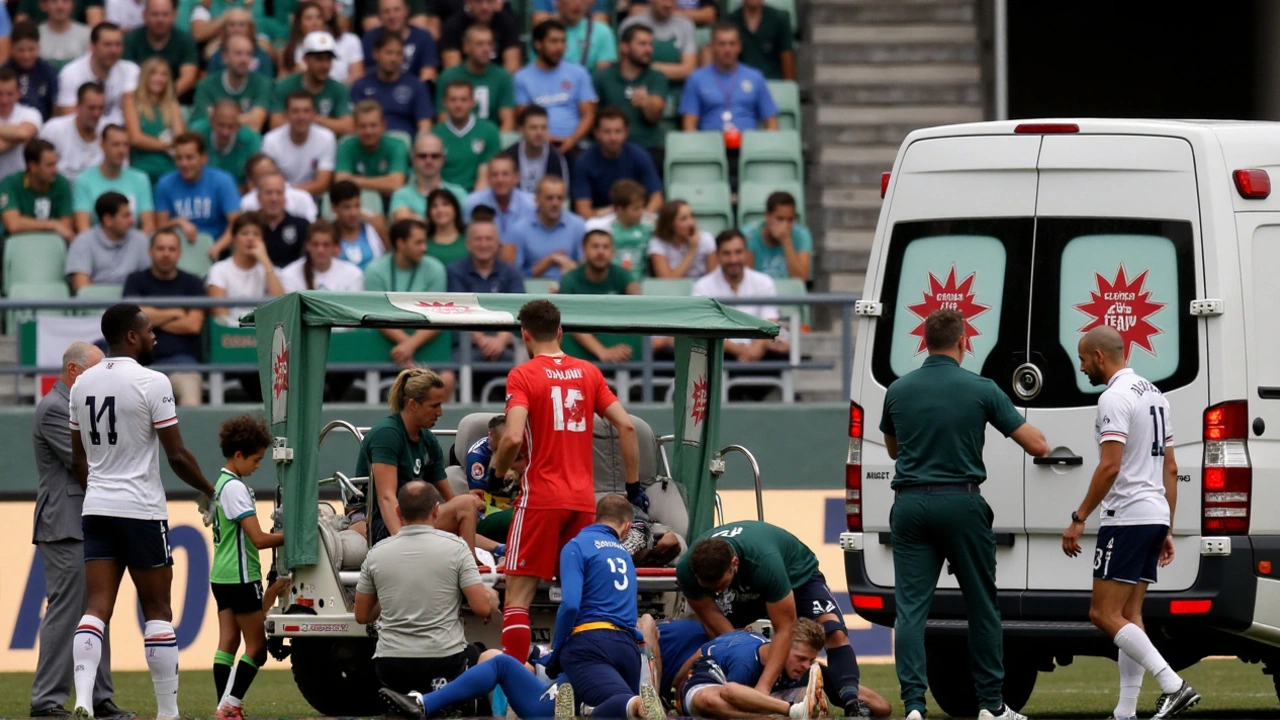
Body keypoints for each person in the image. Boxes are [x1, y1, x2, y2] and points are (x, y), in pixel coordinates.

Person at [880, 308, 1050, 720]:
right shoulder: (981, 388)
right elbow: (1038, 446)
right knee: (981, 606)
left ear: (923, 341)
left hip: (910, 504)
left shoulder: (898, 390)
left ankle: (915, 707)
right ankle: (991, 704)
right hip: (961, 501)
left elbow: (893, 449)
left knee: (911, 611)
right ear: (964, 341)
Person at [68, 302, 217, 720]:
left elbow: (78, 458)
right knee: (157, 610)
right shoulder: (154, 382)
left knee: (96, 606)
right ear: (131, 336)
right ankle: (168, 712)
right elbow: (178, 455)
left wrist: (96, 491)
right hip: (141, 509)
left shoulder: (81, 384)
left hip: (97, 506)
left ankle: (81, 699)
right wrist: (210, 489)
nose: (155, 336)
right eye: (149, 330)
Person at [488, 298, 645, 663]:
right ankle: (584, 677)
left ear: (524, 335)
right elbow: (626, 425)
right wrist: (633, 486)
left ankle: (517, 685)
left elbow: (511, 438)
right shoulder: (589, 372)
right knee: (584, 599)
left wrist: (498, 476)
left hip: (541, 498)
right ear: (560, 332)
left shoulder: (523, 375)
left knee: (517, 599)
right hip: (582, 502)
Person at [1063, 325, 1200, 720]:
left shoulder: (1114, 397)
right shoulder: (1156, 394)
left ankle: (1173, 685)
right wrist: (1168, 526)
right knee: (1130, 616)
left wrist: (1079, 518)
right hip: (1154, 512)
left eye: (1083, 359)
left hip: (1126, 517)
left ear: (1100, 357)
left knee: (1102, 614)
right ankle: (1125, 712)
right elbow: (1170, 468)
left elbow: (1110, 465)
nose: (1083, 366)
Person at [677, 521, 890, 718]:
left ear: (734, 564)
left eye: (719, 584)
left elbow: (785, 627)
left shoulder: (764, 562)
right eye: (709, 587)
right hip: (746, 601)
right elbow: (727, 637)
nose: (716, 590)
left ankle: (852, 701)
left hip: (796, 577)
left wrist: (763, 689)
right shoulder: (687, 570)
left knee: (833, 631)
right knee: (736, 640)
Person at [29, 341, 124, 720]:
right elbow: (84, 461)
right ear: (74, 372)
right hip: (65, 524)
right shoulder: (55, 409)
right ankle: (47, 701)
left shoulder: (75, 407)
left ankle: (100, 698)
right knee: (67, 613)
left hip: (87, 520)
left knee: (96, 613)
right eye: (96, 371)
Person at [355, 481, 493, 694]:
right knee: (483, 654)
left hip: (390, 666)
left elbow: (362, 615)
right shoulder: (457, 548)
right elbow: (482, 608)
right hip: (445, 662)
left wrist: (389, 596)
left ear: (398, 511)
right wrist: (488, 595)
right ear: (437, 509)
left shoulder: (376, 553)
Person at [550, 496, 665, 720]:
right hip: (627, 648)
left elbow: (570, 604)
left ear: (596, 517)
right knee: (617, 711)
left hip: (590, 642)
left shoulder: (576, 546)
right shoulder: (624, 556)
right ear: (627, 527)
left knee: (623, 705)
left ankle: (636, 704)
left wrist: (558, 650)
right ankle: (635, 704)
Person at [355, 368, 489, 546]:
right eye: (434, 406)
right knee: (464, 505)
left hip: (418, 519)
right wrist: (400, 544)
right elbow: (386, 498)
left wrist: (468, 498)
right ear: (412, 405)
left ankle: (500, 551)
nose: (440, 413)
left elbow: (449, 499)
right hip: (380, 523)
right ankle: (468, 570)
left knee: (466, 503)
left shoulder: (428, 439)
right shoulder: (387, 434)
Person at [210, 415, 283, 720]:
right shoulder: (236, 488)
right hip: (241, 575)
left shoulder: (220, 483)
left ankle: (224, 705)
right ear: (238, 455)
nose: (257, 466)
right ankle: (230, 704)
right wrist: (294, 536)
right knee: (257, 647)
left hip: (220, 575)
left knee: (228, 642)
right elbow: (258, 539)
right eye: (255, 460)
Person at [122, 227, 207, 406]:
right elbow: (133, 319)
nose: (166, 254)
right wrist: (176, 312)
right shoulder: (135, 281)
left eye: (171, 249)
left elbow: (193, 325)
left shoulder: (193, 282)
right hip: (139, 362)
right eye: (160, 248)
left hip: (183, 362)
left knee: (192, 402)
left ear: (179, 253)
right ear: (150, 251)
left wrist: (151, 318)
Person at [674, 622, 825, 719]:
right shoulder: (744, 662)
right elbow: (729, 693)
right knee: (710, 700)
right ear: (782, 648)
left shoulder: (794, 664)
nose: (806, 666)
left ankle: (794, 711)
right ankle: (793, 711)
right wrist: (674, 689)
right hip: (704, 682)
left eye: (810, 660)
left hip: (728, 675)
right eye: (801, 659)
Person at [692, 229, 790, 361]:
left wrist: (755, 348)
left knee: (784, 350)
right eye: (727, 253)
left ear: (746, 253)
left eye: (738, 252)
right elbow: (703, 328)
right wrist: (741, 350)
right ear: (717, 255)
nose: (733, 259)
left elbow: (770, 321)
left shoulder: (764, 282)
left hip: (759, 350)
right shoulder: (702, 286)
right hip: (720, 353)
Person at [514, 20, 596, 163]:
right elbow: (523, 117)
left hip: (575, 144)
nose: (560, 47)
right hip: (537, 143)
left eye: (563, 41)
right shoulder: (522, 78)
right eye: (553, 41)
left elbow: (588, 115)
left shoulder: (578, 73)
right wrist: (545, 138)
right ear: (538, 44)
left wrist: (572, 139)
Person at [592, 25, 668, 174]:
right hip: (609, 149)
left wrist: (646, 103)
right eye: (642, 44)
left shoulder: (656, 77)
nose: (648, 49)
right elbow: (591, 116)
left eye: (650, 44)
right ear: (624, 47)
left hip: (647, 147)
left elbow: (655, 115)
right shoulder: (602, 77)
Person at [559, 228, 641, 363]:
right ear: (584, 250)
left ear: (613, 251)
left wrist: (635, 288)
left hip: (618, 345)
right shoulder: (570, 280)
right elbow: (567, 321)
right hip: (578, 352)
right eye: (595, 246)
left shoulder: (623, 275)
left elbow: (638, 304)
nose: (601, 252)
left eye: (606, 247)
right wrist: (603, 352)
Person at [154, 131, 241, 256]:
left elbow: (236, 223)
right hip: (178, 253)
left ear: (203, 158)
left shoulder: (222, 181)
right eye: (179, 158)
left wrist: (218, 247)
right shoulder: (165, 184)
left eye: (189, 157)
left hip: (217, 249)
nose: (184, 163)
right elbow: (160, 228)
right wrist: (178, 222)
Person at [679, 23, 778, 132]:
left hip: (748, 145)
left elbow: (771, 122)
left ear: (739, 47)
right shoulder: (696, 79)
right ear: (712, 47)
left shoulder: (755, 77)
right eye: (722, 44)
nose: (727, 49)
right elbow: (689, 125)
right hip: (709, 145)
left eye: (732, 44)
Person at [571, 107, 662, 217]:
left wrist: (642, 217)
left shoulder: (639, 156)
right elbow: (583, 209)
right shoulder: (584, 161)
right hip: (600, 219)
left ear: (626, 132)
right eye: (607, 132)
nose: (613, 137)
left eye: (618, 131)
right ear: (596, 133)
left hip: (636, 217)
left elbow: (656, 197)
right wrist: (607, 216)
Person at [72, 123, 154, 233]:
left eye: (125, 145)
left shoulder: (140, 179)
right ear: (102, 145)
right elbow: (83, 227)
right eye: (116, 145)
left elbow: (148, 226)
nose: (122, 150)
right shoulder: (84, 180)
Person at [349, 32, 433, 137]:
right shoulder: (361, 86)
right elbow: (352, 123)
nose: (394, 59)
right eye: (389, 53)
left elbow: (425, 124)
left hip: (405, 144)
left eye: (398, 54)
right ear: (376, 53)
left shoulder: (416, 86)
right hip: (368, 142)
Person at [270, 31, 353, 135]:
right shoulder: (285, 86)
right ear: (306, 59)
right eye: (319, 59)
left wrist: (313, 119)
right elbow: (275, 125)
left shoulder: (339, 89)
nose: (325, 65)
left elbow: (348, 127)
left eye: (329, 59)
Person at [206, 212, 285, 322]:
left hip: (262, 332)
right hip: (230, 334)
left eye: (256, 234)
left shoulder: (270, 270)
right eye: (244, 233)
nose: (250, 238)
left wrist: (266, 262)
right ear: (234, 238)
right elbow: (219, 312)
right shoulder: (219, 269)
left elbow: (282, 306)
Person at [55, 23, 139, 126]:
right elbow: (70, 120)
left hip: (120, 136)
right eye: (108, 45)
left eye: (118, 45)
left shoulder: (131, 71)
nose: (113, 50)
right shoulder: (70, 73)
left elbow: (134, 117)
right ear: (93, 46)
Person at [436, 24, 515, 131]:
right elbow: (443, 119)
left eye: (489, 44)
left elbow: (508, 121)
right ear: (466, 47)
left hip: (491, 140)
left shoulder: (502, 77)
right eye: (480, 44)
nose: (486, 49)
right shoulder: (448, 77)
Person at [65, 191, 149, 290]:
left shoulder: (141, 240)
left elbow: (149, 282)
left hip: (134, 302)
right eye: (125, 216)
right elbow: (82, 289)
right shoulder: (82, 242)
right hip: (97, 304)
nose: (132, 220)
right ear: (108, 220)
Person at [506, 174, 583, 279]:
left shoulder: (578, 226)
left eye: (560, 198)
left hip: (570, 290)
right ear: (537, 199)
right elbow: (512, 277)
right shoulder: (519, 230)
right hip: (531, 291)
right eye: (549, 198)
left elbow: (586, 270)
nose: (555, 203)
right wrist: (547, 262)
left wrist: (574, 270)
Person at [261, 90, 336, 197]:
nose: (301, 117)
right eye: (295, 111)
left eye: (306, 111)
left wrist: (289, 193)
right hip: (277, 199)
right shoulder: (271, 140)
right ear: (286, 115)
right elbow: (268, 181)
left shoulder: (327, 138)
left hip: (310, 199)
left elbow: (322, 183)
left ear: (314, 114)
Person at [189, 34, 271, 129]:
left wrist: (218, 116)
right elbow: (202, 125)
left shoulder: (262, 84)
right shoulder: (205, 85)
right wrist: (246, 118)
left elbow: (256, 124)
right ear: (225, 57)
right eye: (238, 53)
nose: (244, 59)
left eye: (249, 54)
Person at [122, 56, 183, 183]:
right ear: (145, 76)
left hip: (170, 171)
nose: (159, 79)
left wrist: (157, 143)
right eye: (153, 73)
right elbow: (135, 138)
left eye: (163, 74)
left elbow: (180, 138)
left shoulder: (172, 104)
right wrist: (166, 144)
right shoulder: (131, 101)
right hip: (141, 171)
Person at [0, 138, 74, 241]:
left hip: (51, 243)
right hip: (16, 243)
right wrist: (52, 225)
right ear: (33, 166)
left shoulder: (61, 183)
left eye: (55, 163)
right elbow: (13, 225)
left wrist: (27, 224)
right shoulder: (10, 184)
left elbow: (66, 227)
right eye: (49, 165)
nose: (55, 169)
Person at [433, 78, 500, 191]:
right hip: (444, 196)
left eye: (464, 100)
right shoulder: (435, 135)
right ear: (445, 103)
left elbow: (489, 172)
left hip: (477, 194)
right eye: (453, 100)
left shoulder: (489, 131)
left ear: (473, 102)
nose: (458, 105)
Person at [121, 0, 198, 99]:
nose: (160, 19)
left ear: (174, 16)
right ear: (144, 16)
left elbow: (188, 77)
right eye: (155, 14)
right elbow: (126, 78)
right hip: (136, 98)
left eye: (165, 14)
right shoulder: (130, 40)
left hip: (174, 99)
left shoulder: (185, 40)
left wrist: (163, 99)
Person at [334, 100, 409, 195]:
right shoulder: (345, 146)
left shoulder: (397, 146)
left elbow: (396, 184)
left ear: (383, 126)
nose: (368, 131)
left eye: (373, 125)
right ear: (355, 127)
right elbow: (341, 183)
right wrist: (384, 183)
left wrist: (353, 180)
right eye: (363, 126)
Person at [389, 133, 469, 221]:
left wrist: (416, 218)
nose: (429, 161)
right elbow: (405, 225)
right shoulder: (401, 195)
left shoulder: (458, 193)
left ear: (443, 160)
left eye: (435, 156)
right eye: (422, 156)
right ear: (413, 159)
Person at [618, 0, 696, 87]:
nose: (668, 4)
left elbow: (688, 70)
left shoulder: (686, 25)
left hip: (675, 90)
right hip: (638, 88)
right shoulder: (630, 24)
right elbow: (625, 68)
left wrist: (647, 69)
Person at [279, 2, 363, 84]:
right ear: (299, 24)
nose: (314, 23)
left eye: (319, 18)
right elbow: (282, 83)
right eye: (308, 18)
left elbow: (357, 81)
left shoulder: (350, 40)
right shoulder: (290, 50)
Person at [585, 179, 651, 280]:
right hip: (612, 284)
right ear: (620, 210)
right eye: (636, 209)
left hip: (642, 284)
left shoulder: (649, 227)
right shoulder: (604, 229)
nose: (641, 212)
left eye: (642, 207)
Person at [40, 80, 102, 180]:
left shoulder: (109, 133)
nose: (97, 114)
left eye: (101, 108)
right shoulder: (54, 130)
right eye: (91, 108)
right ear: (78, 106)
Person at [192, 99, 262, 189]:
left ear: (238, 125)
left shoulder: (251, 141)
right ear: (211, 121)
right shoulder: (197, 134)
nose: (225, 132)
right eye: (221, 125)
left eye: (231, 126)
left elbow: (256, 181)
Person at [500, 104, 568, 194]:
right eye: (533, 128)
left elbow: (560, 194)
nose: (539, 133)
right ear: (522, 130)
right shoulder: (509, 156)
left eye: (543, 128)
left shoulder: (555, 158)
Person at [446, 215, 524, 294]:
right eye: (478, 239)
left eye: (489, 239)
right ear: (468, 244)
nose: (483, 244)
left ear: (498, 243)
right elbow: (458, 304)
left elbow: (518, 304)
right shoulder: (455, 272)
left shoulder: (512, 273)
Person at [279, 220, 364, 292]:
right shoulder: (289, 274)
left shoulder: (353, 274)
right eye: (315, 244)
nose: (320, 250)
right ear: (307, 246)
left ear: (335, 247)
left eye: (326, 245)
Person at [745, 190, 810, 282]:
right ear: (767, 216)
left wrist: (787, 242)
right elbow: (746, 279)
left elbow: (801, 279)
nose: (785, 226)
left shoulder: (801, 235)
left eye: (790, 220)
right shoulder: (749, 235)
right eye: (780, 219)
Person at [438, 0, 521, 73]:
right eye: (478, 1)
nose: (484, 7)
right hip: (464, 85)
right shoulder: (453, 26)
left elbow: (512, 68)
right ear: (467, 2)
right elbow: (453, 71)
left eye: (489, 1)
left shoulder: (507, 23)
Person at [464, 154, 534, 236]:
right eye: (495, 175)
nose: (500, 180)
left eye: (505, 174)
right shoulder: (473, 203)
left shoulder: (531, 205)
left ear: (516, 178)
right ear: (489, 178)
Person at [201, 10, 276, 82]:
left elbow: (267, 86)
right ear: (224, 29)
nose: (237, 29)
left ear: (250, 28)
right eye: (231, 24)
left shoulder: (262, 54)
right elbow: (211, 86)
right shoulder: (216, 55)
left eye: (242, 24)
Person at [240, 154, 319, 221]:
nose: (269, 177)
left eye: (271, 172)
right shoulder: (247, 202)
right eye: (262, 175)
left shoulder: (303, 198)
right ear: (252, 180)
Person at [648, 198, 714, 279]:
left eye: (692, 216)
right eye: (683, 219)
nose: (691, 223)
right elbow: (666, 282)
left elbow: (713, 279)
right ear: (669, 224)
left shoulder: (706, 239)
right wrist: (691, 251)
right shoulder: (657, 243)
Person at [727, 0, 794, 81]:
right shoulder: (730, 21)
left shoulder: (780, 19)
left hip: (773, 82)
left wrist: (788, 87)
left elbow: (786, 56)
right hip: (741, 84)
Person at [256, 170, 310, 268]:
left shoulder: (302, 226)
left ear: (285, 197)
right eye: (268, 193)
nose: (274, 199)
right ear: (259, 197)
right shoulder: (249, 226)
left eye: (279, 193)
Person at [542, 0, 615, 71]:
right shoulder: (543, 32)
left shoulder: (603, 32)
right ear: (557, 2)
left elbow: (602, 77)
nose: (577, 3)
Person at [7, 21, 59, 120]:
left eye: (31, 49)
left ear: (38, 47)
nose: (26, 56)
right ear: (12, 48)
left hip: (43, 130)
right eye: (21, 50)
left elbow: (56, 108)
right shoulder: (4, 72)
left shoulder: (49, 72)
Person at [329, 179, 384, 270]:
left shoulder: (374, 228)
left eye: (357, 206)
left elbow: (392, 258)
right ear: (334, 208)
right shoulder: (327, 234)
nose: (353, 213)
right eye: (347, 207)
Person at [0, 66, 42, 179]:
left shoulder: (31, 113)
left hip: (22, 184)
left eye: (10, 94)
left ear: (18, 93)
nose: (4, 100)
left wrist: (19, 135)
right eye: (0, 94)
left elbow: (24, 133)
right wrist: (15, 135)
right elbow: (20, 135)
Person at [39, 0, 91, 67]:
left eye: (65, 1)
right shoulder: (35, 35)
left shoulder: (88, 34)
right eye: (54, 2)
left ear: (73, 5)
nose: (60, 7)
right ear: (43, 5)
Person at [424, 187, 469, 265]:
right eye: (434, 206)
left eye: (445, 204)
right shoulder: (423, 244)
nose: (440, 210)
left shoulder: (469, 240)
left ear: (455, 209)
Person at [629, 0, 715, 28]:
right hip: (650, 27)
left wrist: (665, 10)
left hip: (693, 29)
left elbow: (709, 15)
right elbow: (635, 11)